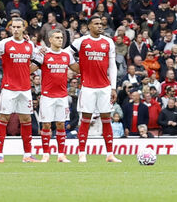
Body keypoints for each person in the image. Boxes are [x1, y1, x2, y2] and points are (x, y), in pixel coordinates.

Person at [0, 15, 41, 163]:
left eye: (19, 27)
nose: (16, 29)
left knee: (26, 119)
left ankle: (27, 155)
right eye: (14, 26)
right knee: (4, 118)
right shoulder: (4, 44)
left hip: (25, 88)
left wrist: (27, 72)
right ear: (10, 28)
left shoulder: (29, 45)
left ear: (24, 28)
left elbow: (38, 60)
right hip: (8, 88)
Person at [73, 14, 120, 162]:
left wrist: (113, 87)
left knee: (106, 118)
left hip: (104, 87)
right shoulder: (81, 41)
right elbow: (66, 54)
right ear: (89, 26)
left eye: (101, 23)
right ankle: (82, 153)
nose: (100, 26)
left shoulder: (108, 42)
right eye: (96, 24)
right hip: (87, 87)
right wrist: (77, 68)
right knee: (86, 119)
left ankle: (110, 154)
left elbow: (112, 66)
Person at [38, 27, 76, 162]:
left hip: (62, 96)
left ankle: (61, 154)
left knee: (61, 124)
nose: (60, 40)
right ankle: (46, 154)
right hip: (47, 96)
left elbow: (77, 68)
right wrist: (34, 54)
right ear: (50, 40)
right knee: (46, 125)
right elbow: (31, 68)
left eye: (61, 38)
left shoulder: (67, 55)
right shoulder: (44, 54)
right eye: (57, 38)